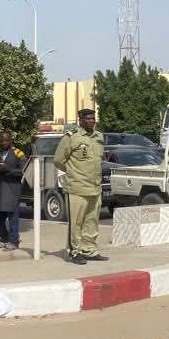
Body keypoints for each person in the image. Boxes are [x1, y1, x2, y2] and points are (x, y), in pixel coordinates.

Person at [53, 109, 105, 264]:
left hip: (95, 187)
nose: (91, 121)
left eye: (93, 118)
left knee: (92, 221)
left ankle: (89, 250)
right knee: (76, 223)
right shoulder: (71, 137)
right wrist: (74, 173)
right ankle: (74, 252)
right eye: (88, 119)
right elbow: (58, 160)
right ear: (80, 120)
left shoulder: (99, 136)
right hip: (77, 187)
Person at [0, 129, 25, 252]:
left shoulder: (18, 153)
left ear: (10, 140)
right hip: (0, 189)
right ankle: (4, 238)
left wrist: (7, 169)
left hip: (13, 189)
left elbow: (23, 171)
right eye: (1, 141)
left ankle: (14, 241)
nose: (4, 143)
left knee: (12, 217)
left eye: (6, 140)